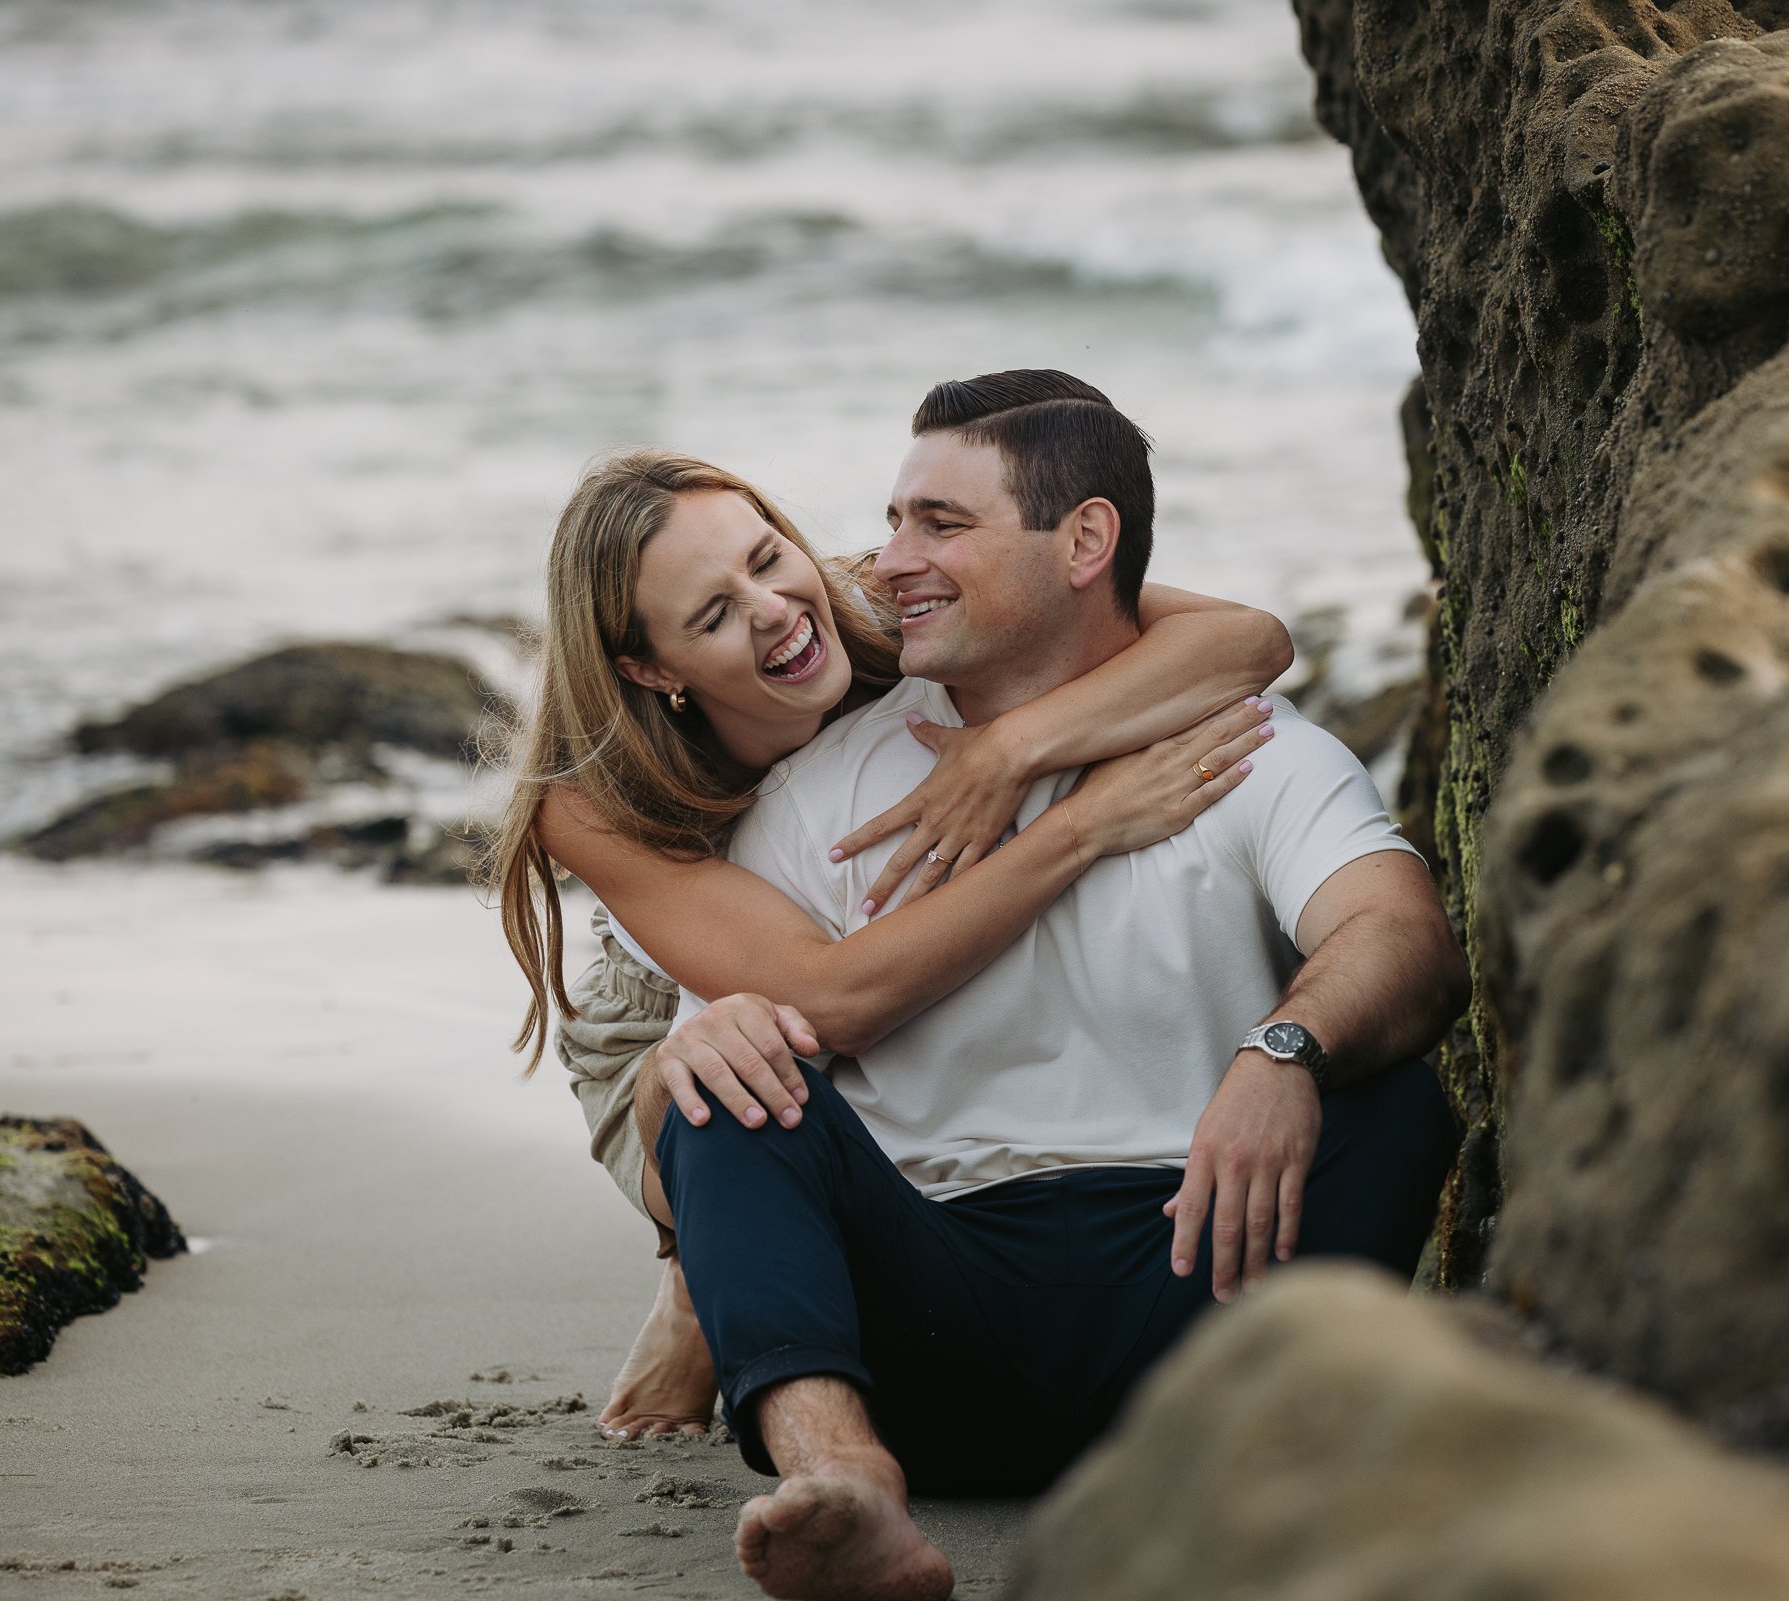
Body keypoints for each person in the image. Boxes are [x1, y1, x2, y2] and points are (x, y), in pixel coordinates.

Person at [644, 371, 1467, 1601]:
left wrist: (1281, 1050)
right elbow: (685, 1136)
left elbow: (1404, 936)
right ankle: (844, 1478)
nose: (889, 560)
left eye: (941, 523)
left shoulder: (1247, 748)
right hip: (930, 1323)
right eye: (894, 518)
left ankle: (1251, 1463)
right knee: (725, 1073)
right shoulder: (819, 794)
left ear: (1087, 539)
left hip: (1208, 1284)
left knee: (1393, 1092)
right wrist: (694, 1057)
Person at [488, 447, 1298, 1441]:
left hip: (875, 914)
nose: (774, 609)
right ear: (650, 668)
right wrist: (1084, 823)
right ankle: (693, 1276)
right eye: (711, 614)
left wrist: (1009, 750)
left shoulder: (877, 595)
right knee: (721, 1090)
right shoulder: (594, 799)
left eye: (766, 555)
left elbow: (1246, 641)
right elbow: (827, 997)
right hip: (680, 1001)